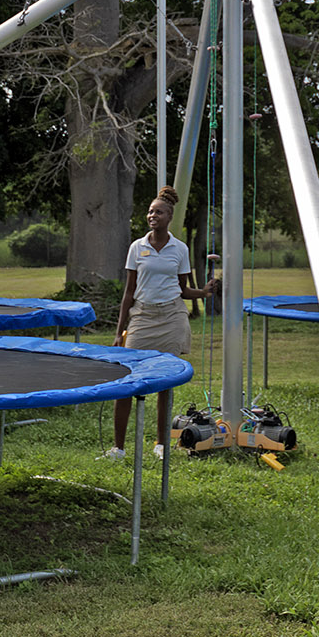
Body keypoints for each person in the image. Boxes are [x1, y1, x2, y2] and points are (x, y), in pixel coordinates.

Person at [109, 187, 197, 453]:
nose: (152, 215)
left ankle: (161, 444)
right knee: (127, 381)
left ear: (169, 216)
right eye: (149, 211)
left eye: (158, 211)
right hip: (142, 316)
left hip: (171, 316)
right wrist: (119, 330)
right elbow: (129, 292)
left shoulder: (179, 249)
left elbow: (183, 289)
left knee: (165, 382)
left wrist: (204, 292)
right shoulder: (137, 247)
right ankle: (119, 448)